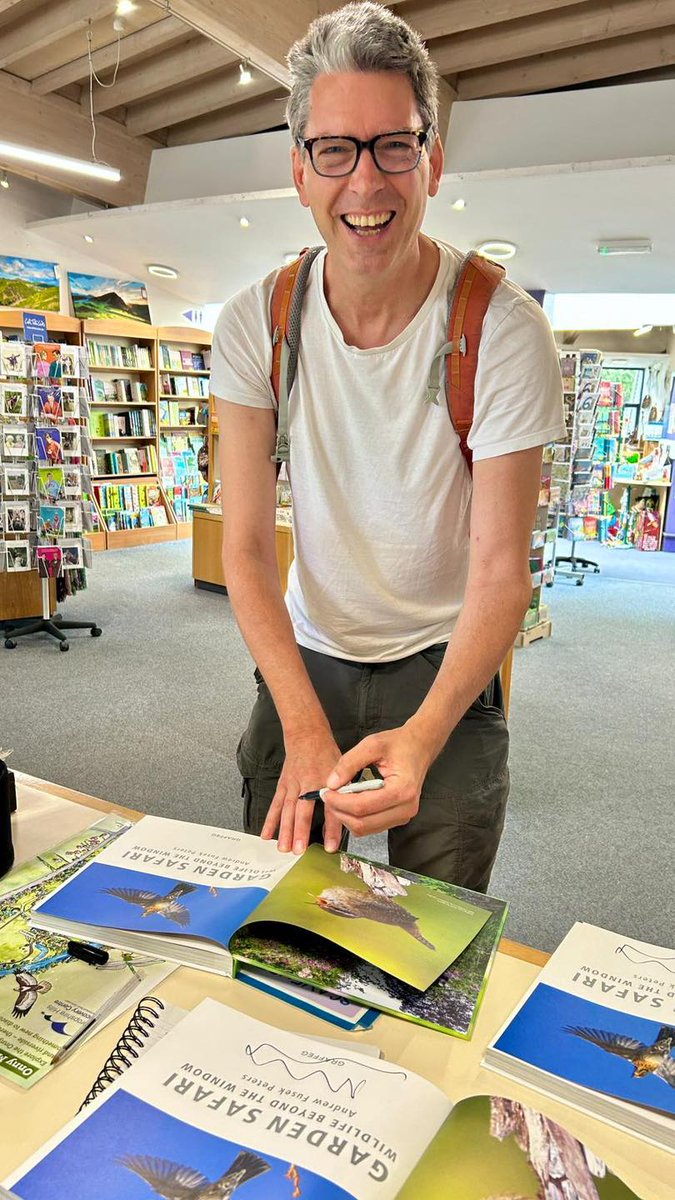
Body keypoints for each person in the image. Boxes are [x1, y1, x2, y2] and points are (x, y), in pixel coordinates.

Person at [210, 2, 565, 891]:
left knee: (432, 929)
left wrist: (425, 734)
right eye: (334, 149)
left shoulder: (502, 328)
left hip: (446, 665)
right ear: (299, 170)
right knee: (277, 911)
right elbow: (246, 550)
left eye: (392, 145)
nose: (364, 183)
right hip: (306, 658)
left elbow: (499, 572)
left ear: (431, 159)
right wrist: (298, 723)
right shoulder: (258, 322)